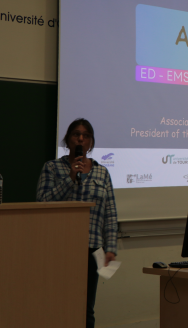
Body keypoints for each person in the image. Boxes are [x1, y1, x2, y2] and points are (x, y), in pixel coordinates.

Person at [36, 118, 118, 328]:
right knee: (57, 303)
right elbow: (42, 202)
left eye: (86, 135)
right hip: (59, 247)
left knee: (86, 308)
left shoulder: (102, 172)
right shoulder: (52, 168)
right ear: (68, 139)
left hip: (93, 249)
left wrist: (111, 247)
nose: (81, 138)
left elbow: (110, 213)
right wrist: (70, 178)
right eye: (76, 134)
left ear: (90, 142)